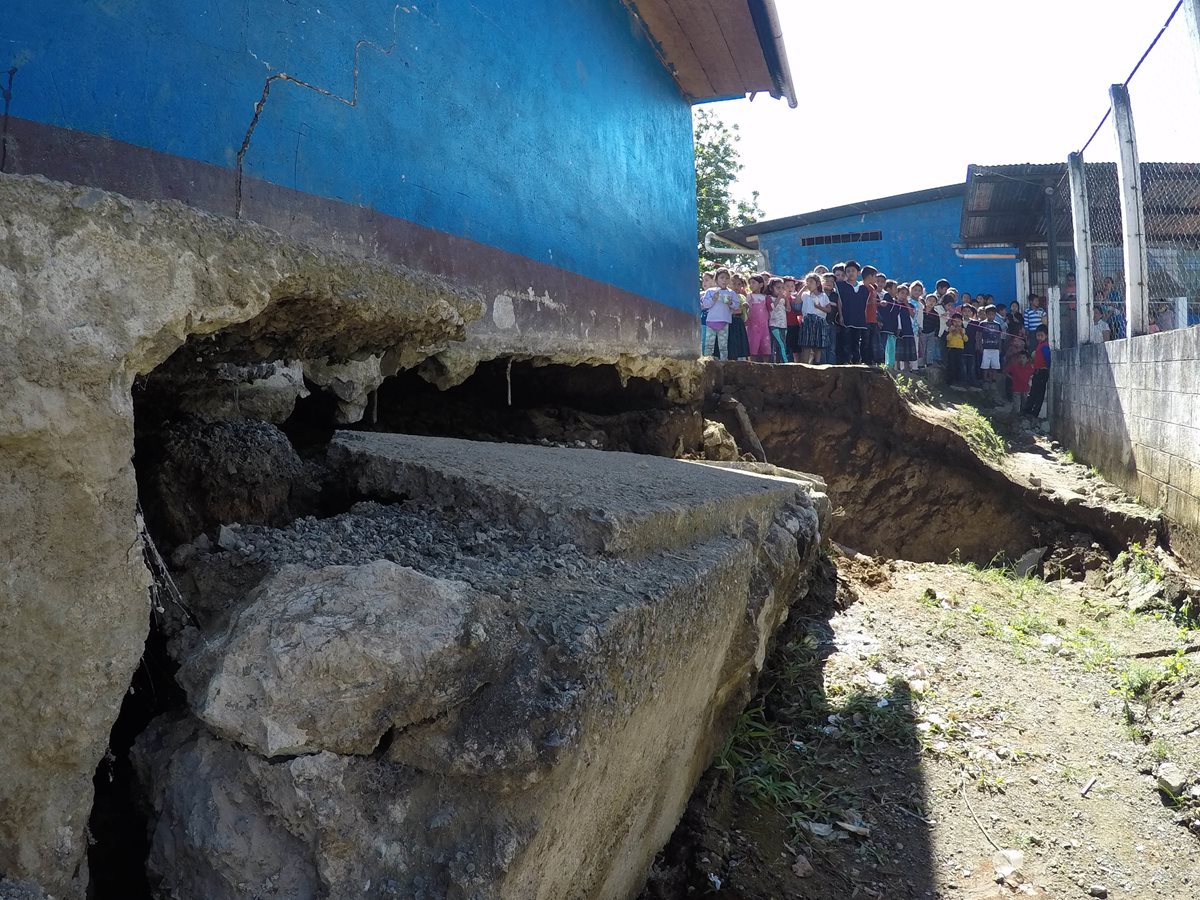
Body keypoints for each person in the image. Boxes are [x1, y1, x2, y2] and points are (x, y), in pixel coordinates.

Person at [834, 260, 872, 364]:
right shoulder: (841, 286)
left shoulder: (864, 289)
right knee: (846, 342)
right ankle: (846, 362)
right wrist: (841, 316)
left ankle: (856, 362)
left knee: (856, 342)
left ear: (858, 272)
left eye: (853, 271)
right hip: (847, 318)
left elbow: (866, 305)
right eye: (848, 271)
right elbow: (840, 302)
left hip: (859, 319)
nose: (851, 273)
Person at [700, 268, 736, 357]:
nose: (724, 280)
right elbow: (705, 305)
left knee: (723, 346)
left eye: (727, 278)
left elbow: (736, 306)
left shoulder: (731, 293)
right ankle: (707, 362)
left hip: (724, 322)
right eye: (722, 277)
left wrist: (730, 303)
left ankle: (724, 363)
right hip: (711, 321)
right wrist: (713, 299)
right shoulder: (710, 291)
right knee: (708, 345)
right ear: (716, 279)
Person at [798, 273, 832, 364]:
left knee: (818, 345)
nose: (809, 284)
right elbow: (796, 301)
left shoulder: (823, 296)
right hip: (807, 321)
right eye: (807, 282)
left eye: (811, 282)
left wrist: (819, 307)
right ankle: (805, 364)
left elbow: (829, 309)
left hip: (819, 321)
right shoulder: (805, 295)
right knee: (806, 344)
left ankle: (817, 362)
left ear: (817, 284)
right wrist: (803, 289)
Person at [1023, 327, 1051, 417]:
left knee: (1039, 393)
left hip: (1042, 372)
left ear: (1046, 336)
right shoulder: (1040, 345)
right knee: (1033, 392)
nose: (1039, 337)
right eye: (1038, 335)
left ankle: (1034, 413)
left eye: (1041, 335)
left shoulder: (1045, 346)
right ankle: (1027, 411)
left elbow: (1047, 358)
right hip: (1037, 371)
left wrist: (1048, 368)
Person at [745, 274, 772, 362]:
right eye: (750, 283)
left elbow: (770, 309)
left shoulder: (765, 297)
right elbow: (747, 309)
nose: (751, 285)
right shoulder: (749, 296)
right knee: (753, 345)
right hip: (753, 325)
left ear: (761, 285)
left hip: (764, 325)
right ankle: (752, 364)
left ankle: (766, 364)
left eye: (753, 282)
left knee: (765, 344)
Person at [978, 305, 1004, 393]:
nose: (991, 316)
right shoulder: (982, 324)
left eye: (993, 314)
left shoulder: (998, 325)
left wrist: (1000, 348)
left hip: (995, 348)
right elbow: (979, 335)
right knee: (985, 365)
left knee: (995, 365)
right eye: (989, 314)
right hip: (986, 347)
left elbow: (1000, 337)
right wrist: (979, 346)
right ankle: (985, 380)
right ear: (986, 314)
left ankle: (993, 381)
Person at [726, 274, 750, 360]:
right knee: (731, 341)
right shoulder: (728, 295)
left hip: (739, 321)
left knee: (740, 340)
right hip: (730, 321)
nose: (736, 286)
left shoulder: (742, 297)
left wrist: (746, 308)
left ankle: (741, 358)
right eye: (734, 283)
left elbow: (744, 312)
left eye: (739, 284)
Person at [894, 283, 917, 371]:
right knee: (898, 352)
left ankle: (907, 369)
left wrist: (906, 304)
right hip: (898, 330)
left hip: (907, 329)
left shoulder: (910, 305)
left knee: (907, 352)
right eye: (902, 293)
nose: (904, 295)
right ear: (897, 294)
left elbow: (913, 315)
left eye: (906, 294)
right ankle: (897, 368)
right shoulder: (894, 304)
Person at [766, 274, 789, 363]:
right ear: (771, 288)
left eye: (782, 288)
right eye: (778, 288)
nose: (780, 290)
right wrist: (779, 298)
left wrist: (786, 299)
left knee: (782, 344)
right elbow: (771, 308)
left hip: (783, 324)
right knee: (779, 344)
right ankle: (784, 362)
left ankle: (780, 362)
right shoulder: (769, 298)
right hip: (774, 324)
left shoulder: (783, 299)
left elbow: (788, 309)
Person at [1004, 351, 1034, 415]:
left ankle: (1022, 420)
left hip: (1026, 389)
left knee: (1024, 406)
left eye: (1023, 358)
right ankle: (1013, 418)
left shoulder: (1030, 367)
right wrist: (1012, 378)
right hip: (1016, 389)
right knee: (1016, 407)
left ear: (1027, 359)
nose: (1022, 359)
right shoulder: (1014, 367)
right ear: (1017, 359)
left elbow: (1033, 375)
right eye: (1020, 357)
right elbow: (1006, 372)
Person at [945, 314, 967, 385]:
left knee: (960, 365)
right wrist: (952, 332)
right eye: (955, 321)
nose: (957, 323)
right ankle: (951, 380)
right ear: (952, 322)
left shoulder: (963, 330)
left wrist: (963, 334)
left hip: (960, 349)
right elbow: (947, 338)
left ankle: (959, 380)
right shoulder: (950, 329)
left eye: (959, 321)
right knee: (951, 365)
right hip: (951, 349)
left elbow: (966, 339)